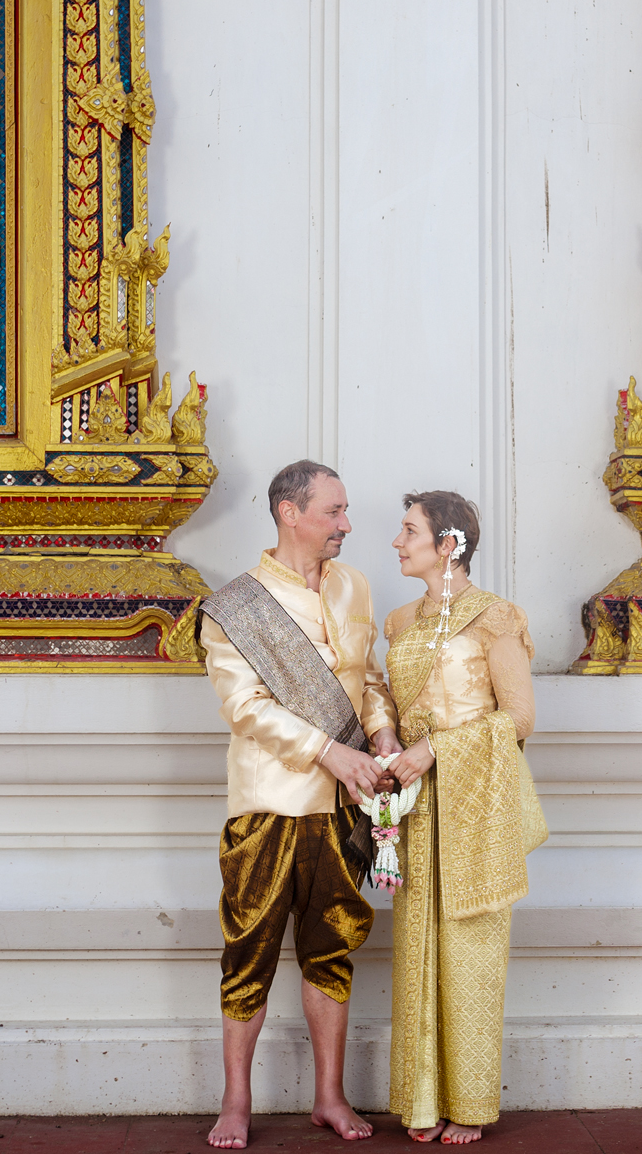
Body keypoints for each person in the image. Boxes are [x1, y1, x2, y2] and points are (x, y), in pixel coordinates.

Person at [199, 459, 402, 1149]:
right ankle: (235, 1102)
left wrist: (380, 736)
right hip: (268, 808)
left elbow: (368, 678)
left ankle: (329, 1097)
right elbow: (246, 708)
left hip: (345, 808)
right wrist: (332, 752)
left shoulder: (354, 587)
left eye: (345, 512)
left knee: (333, 950)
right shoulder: (236, 606)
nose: (346, 525)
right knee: (248, 954)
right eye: (333, 512)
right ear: (290, 512)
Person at [380, 490, 547, 1144]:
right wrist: (390, 747)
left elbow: (522, 718)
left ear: (449, 544)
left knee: (471, 952)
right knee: (417, 950)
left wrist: (437, 750)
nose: (397, 541)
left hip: (474, 803)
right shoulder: (397, 623)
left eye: (409, 530)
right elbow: (392, 712)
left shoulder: (494, 619)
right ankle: (423, 1101)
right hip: (416, 808)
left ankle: (470, 1106)